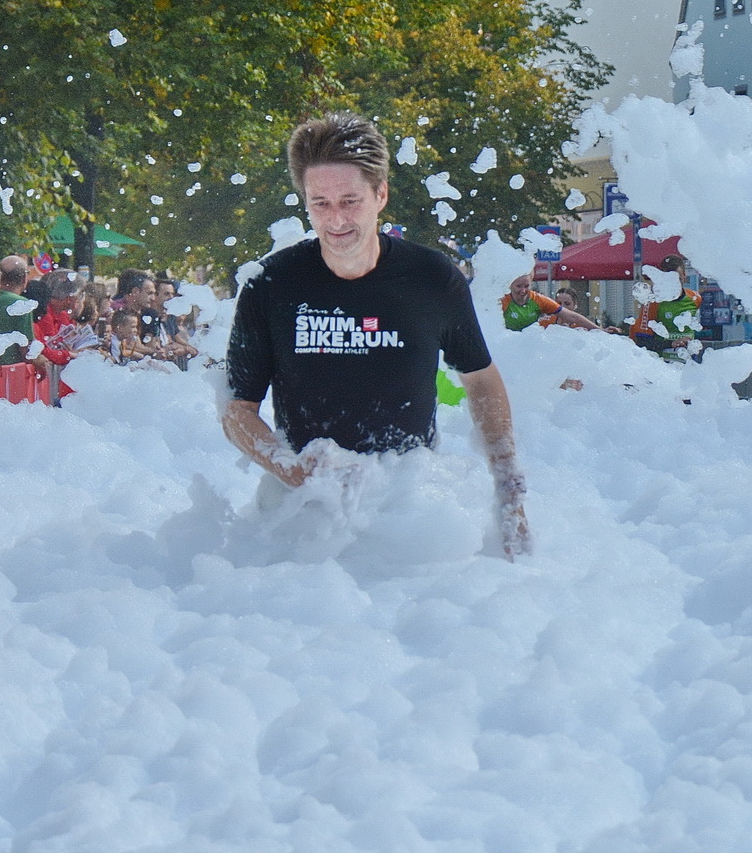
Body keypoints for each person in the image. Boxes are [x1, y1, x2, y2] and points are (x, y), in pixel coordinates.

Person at [223, 111, 529, 557]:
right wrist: (297, 473)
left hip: (407, 503)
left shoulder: (430, 278)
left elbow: (480, 378)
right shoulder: (269, 284)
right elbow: (237, 412)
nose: (335, 219)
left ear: (380, 194)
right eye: (320, 203)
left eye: (350, 201)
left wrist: (510, 491)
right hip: (305, 511)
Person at [628, 254, 703, 354]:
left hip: (687, 364)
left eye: (678, 280)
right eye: (669, 281)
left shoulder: (695, 298)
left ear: (684, 276)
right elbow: (642, 342)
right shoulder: (653, 302)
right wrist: (671, 343)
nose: (674, 286)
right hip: (661, 365)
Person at [503, 273, 600, 332]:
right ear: (510, 284)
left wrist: (601, 330)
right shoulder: (503, 300)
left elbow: (572, 316)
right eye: (518, 286)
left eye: (526, 286)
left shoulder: (538, 299)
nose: (523, 291)